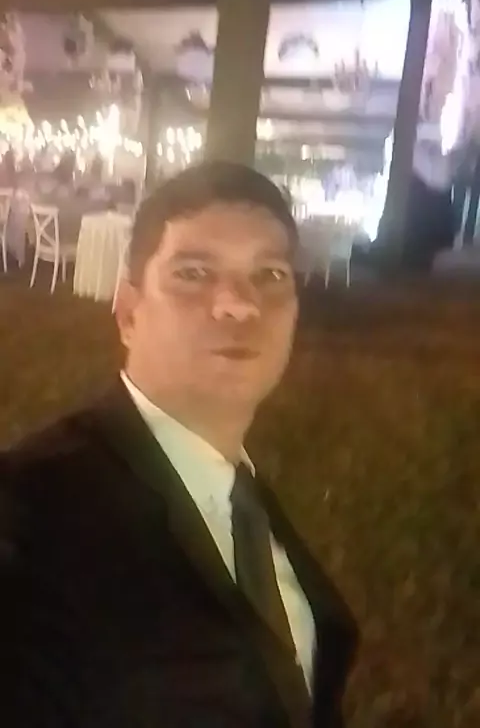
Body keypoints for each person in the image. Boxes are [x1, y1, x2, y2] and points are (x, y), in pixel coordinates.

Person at [0, 162, 358, 727]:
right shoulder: (29, 513)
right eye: (194, 273)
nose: (239, 304)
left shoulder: (242, 498)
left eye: (269, 274)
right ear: (128, 313)